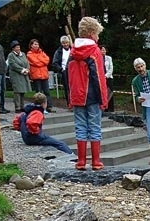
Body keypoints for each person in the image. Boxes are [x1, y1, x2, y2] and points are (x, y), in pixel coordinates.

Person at [66, 17, 107, 171]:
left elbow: (67, 76)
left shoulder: (72, 51)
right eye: (97, 34)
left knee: (80, 127)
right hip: (92, 95)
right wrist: (103, 99)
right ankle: (96, 161)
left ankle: (81, 161)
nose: (98, 37)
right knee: (95, 127)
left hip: (77, 95)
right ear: (91, 33)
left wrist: (69, 97)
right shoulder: (94, 51)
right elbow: (98, 77)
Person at [26, 39, 53, 112]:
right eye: (35, 44)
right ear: (31, 45)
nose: (36, 46)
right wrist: (42, 61)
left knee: (47, 92)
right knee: (38, 93)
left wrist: (40, 59)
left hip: (44, 75)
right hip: (36, 76)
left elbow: (47, 60)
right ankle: (39, 107)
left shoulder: (42, 52)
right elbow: (36, 63)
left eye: (37, 44)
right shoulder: (29, 54)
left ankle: (49, 106)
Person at [7, 40, 31, 113]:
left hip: (23, 75)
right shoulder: (11, 55)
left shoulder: (23, 54)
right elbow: (13, 65)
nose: (18, 48)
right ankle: (17, 107)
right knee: (17, 91)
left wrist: (27, 69)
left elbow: (27, 62)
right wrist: (22, 70)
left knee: (23, 91)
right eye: (16, 47)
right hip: (16, 75)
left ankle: (22, 106)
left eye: (18, 47)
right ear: (13, 48)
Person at [51, 35, 72, 107]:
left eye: (66, 43)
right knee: (67, 88)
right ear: (61, 43)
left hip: (73, 71)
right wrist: (61, 69)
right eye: (64, 43)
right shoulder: (59, 52)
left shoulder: (73, 50)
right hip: (65, 71)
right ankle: (69, 103)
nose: (65, 44)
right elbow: (55, 63)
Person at [101, 45, 114, 112]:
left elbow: (111, 68)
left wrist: (106, 76)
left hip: (109, 77)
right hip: (101, 78)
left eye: (104, 50)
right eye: (102, 50)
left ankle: (111, 108)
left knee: (110, 92)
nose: (103, 51)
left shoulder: (109, 58)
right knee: (103, 93)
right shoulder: (98, 58)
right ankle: (104, 108)